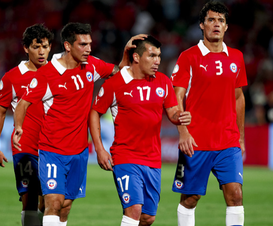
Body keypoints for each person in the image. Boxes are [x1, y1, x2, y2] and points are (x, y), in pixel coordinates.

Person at [12, 22, 146, 226]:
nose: (89, 49)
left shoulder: (92, 64)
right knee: (54, 202)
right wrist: (19, 127)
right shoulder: (47, 74)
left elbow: (119, 72)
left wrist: (126, 54)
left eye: (89, 44)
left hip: (79, 152)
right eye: (83, 44)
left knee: (65, 206)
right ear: (68, 46)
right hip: (52, 150)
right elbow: (23, 103)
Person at [89, 36, 191, 226]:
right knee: (134, 209)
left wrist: (181, 117)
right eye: (152, 55)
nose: (158, 61)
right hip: (125, 156)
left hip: (152, 159)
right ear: (136, 57)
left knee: (148, 217)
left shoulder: (163, 81)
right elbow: (95, 112)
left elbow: (172, 112)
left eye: (159, 56)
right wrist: (100, 149)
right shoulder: (115, 83)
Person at [170, 2, 247, 226]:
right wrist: (183, 132)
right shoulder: (189, 57)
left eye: (221, 20)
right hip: (197, 141)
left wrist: (240, 136)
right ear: (202, 25)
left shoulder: (236, 57)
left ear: (226, 27)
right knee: (191, 199)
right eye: (211, 20)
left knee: (235, 195)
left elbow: (238, 97)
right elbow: (177, 97)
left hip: (228, 140)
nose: (216, 24)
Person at [0, 24, 54, 226]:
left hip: (52, 144)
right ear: (26, 48)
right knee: (30, 196)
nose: (42, 51)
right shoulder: (12, 77)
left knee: (50, 199)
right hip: (24, 144)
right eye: (36, 46)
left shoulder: (58, 74)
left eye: (45, 46)